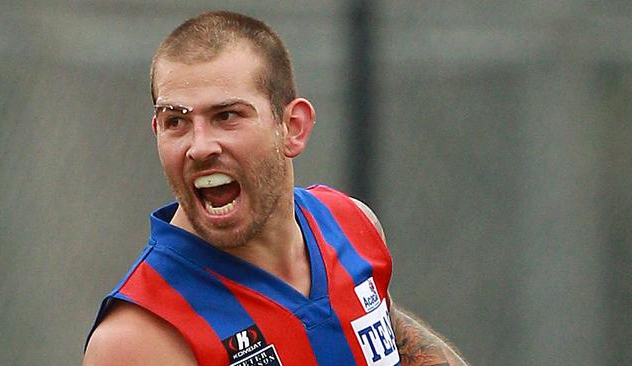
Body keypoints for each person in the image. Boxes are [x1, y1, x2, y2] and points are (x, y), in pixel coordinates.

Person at [83, 10, 468, 366]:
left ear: (293, 127)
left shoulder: (350, 224)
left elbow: (391, 335)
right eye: (175, 122)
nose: (199, 147)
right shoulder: (138, 338)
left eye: (226, 116)